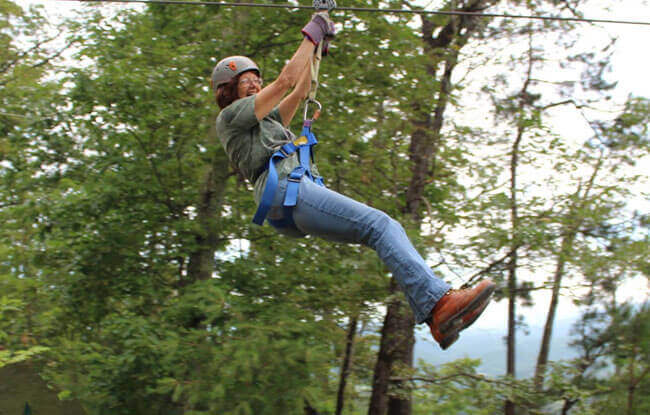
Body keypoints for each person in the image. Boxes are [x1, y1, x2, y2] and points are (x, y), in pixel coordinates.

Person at [210, 11, 495, 350]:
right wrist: (312, 32)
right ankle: (438, 303)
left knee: (379, 230)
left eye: (258, 79)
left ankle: (438, 320)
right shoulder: (230, 118)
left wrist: (317, 51)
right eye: (247, 81)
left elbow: (299, 90)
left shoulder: (268, 122)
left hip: (294, 193)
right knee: (380, 224)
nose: (256, 84)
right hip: (287, 190)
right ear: (229, 89)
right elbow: (285, 80)